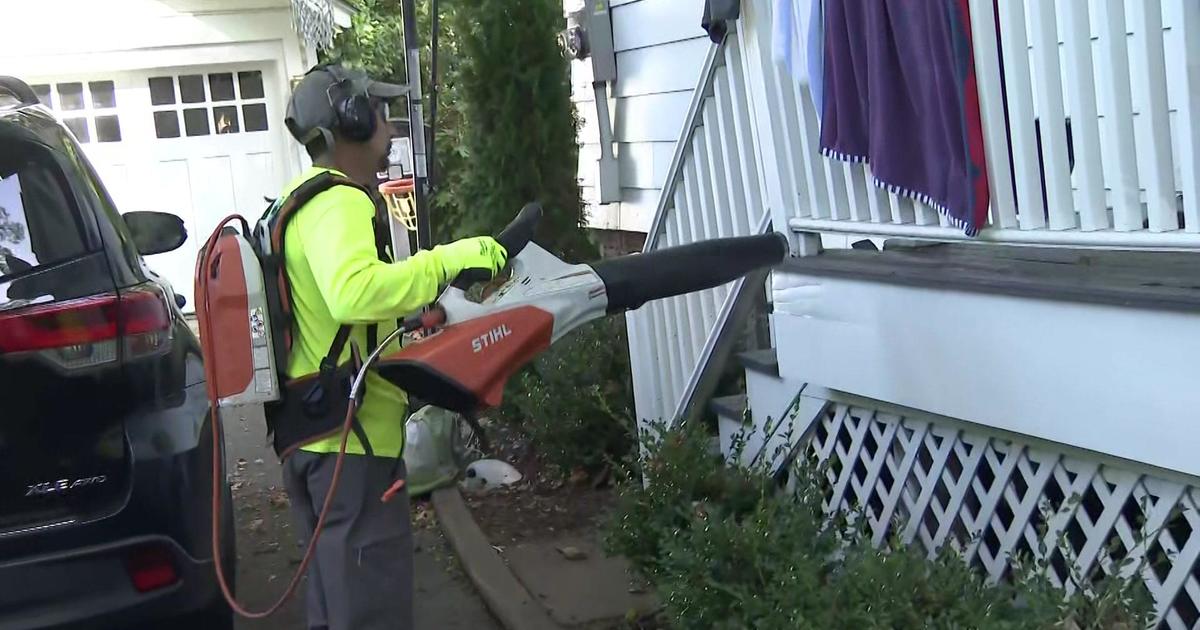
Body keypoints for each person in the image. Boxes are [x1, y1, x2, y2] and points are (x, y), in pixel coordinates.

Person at [277, 63, 508, 630]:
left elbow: (331, 311)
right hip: (351, 448)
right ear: (350, 121)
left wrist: (408, 311)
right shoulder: (342, 202)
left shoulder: (299, 202)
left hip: (313, 437)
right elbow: (351, 293)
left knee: (336, 609)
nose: (387, 122)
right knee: (370, 610)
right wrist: (448, 260)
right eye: (376, 109)